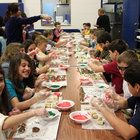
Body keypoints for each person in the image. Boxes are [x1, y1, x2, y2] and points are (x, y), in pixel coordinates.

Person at [91, 61, 140, 140]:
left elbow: (128, 133)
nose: (127, 86)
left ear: (137, 87)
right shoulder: (138, 95)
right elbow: (126, 103)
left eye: (128, 84)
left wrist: (102, 108)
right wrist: (114, 103)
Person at [0, 65, 48, 140]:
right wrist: (34, 111)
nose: (27, 68)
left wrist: (14, 116)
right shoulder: (9, 84)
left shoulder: (21, 80)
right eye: (23, 65)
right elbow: (4, 123)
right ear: (15, 66)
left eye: (0, 80)